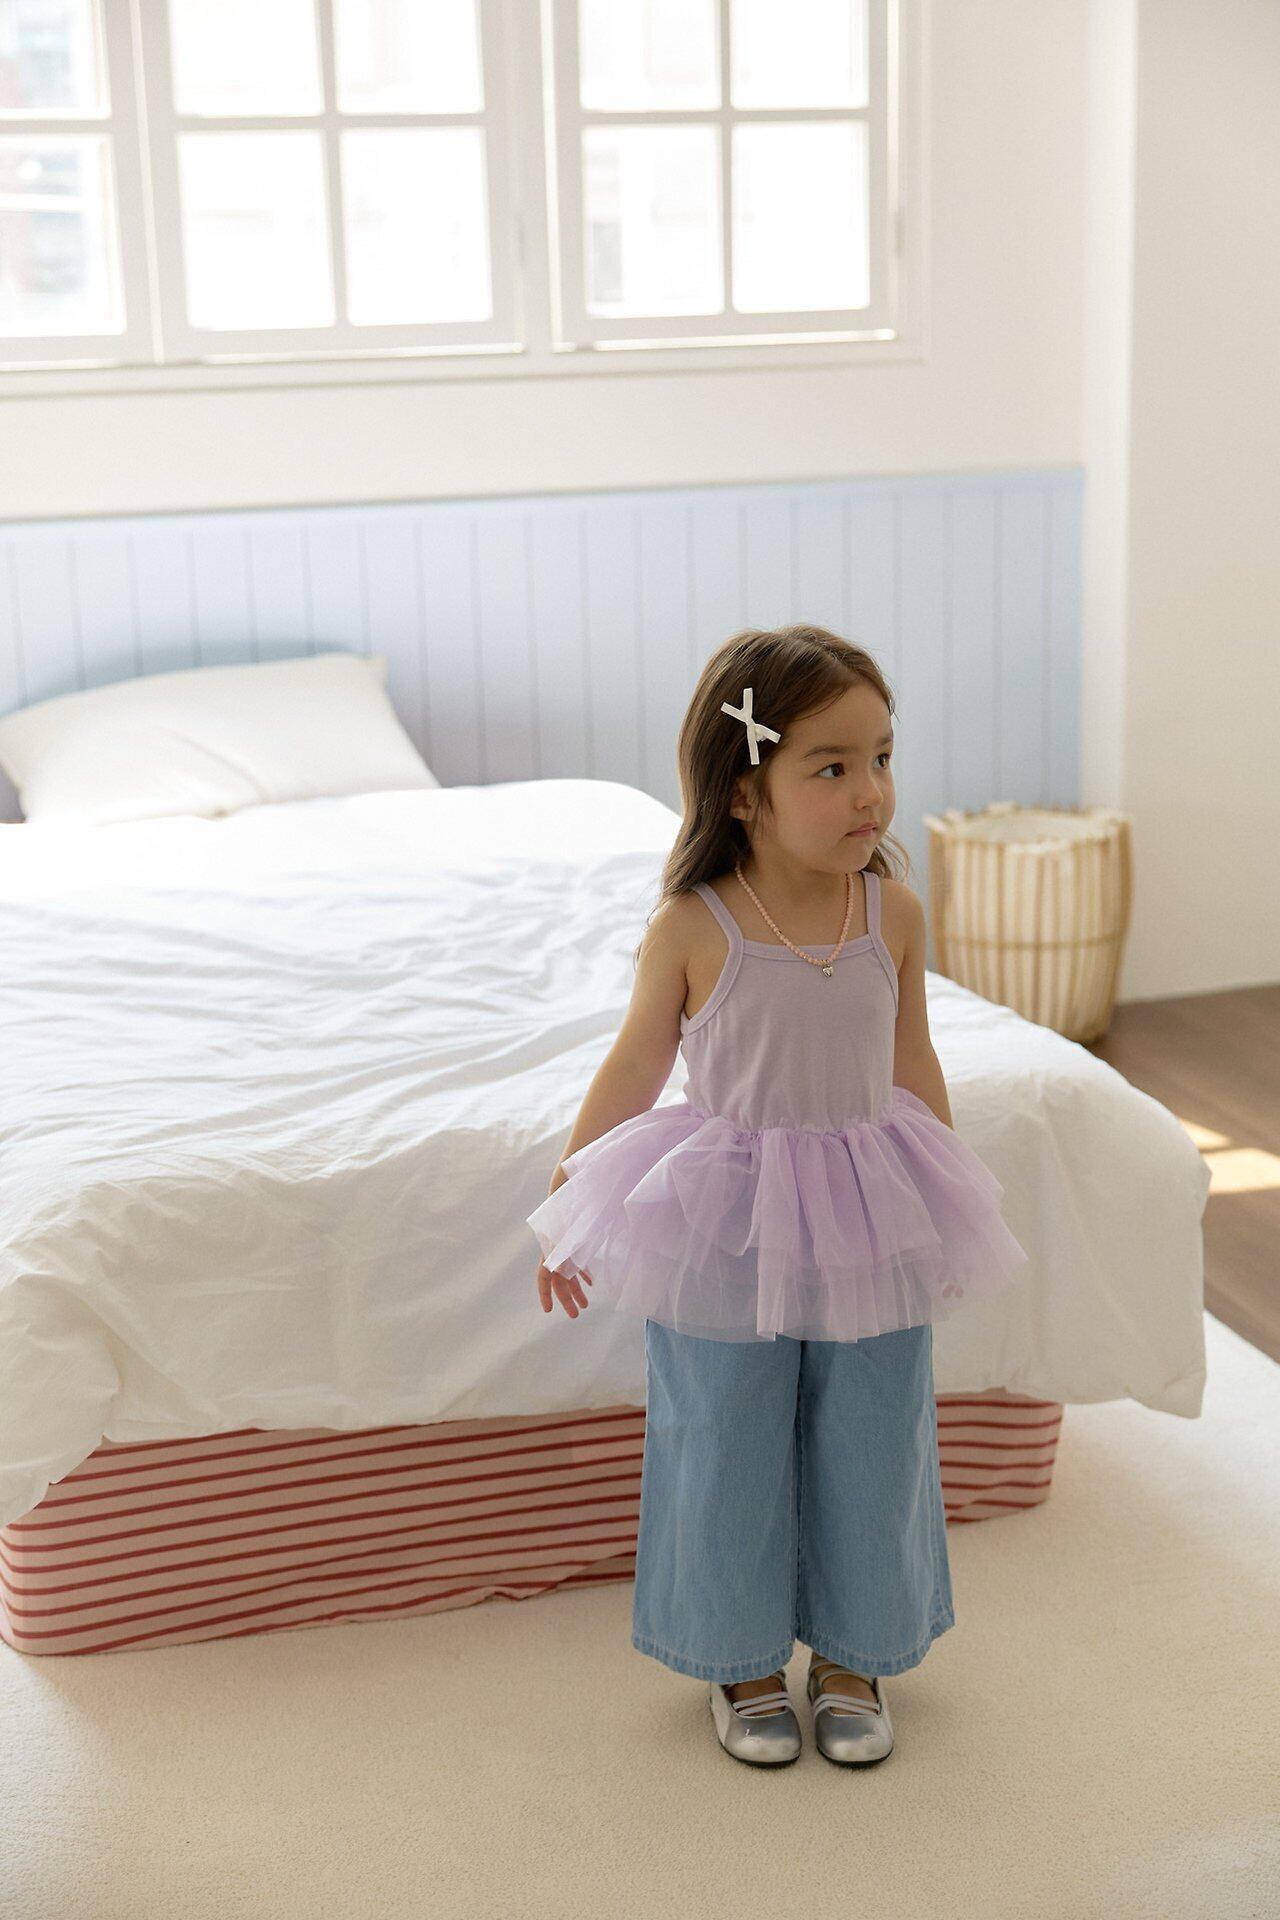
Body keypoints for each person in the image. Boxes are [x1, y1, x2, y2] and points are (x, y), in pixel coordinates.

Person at [526, 624, 1029, 1769]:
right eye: (831, 767)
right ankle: (739, 1659)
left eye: (881, 758)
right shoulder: (693, 925)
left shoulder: (890, 914)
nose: (871, 793)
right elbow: (634, 1065)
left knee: (872, 1433)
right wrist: (567, 1199)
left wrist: (947, 1205)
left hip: (866, 1210)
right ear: (745, 789)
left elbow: (911, 1059)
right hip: (726, 1220)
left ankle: (854, 1654)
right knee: (723, 1434)